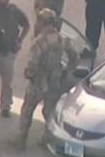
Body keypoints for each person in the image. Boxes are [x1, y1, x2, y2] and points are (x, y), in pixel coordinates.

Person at [15, 9, 77, 149]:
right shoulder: (62, 38)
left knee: (28, 109)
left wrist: (29, 73)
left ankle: (21, 138)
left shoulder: (39, 41)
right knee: (49, 111)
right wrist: (67, 71)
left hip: (38, 81)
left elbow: (33, 63)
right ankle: (48, 138)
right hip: (54, 80)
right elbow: (74, 57)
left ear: (42, 22)